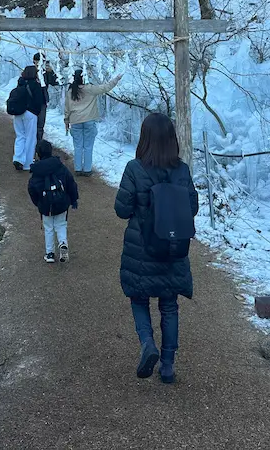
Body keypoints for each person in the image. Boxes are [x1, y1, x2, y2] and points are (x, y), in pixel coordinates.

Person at [114, 113, 199, 384]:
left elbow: (122, 209)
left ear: (145, 138)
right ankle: (168, 366)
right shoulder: (182, 170)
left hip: (142, 249)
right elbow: (193, 207)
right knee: (169, 305)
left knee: (139, 299)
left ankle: (147, 343)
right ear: (172, 139)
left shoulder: (134, 169)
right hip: (174, 249)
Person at [28, 140, 79, 263]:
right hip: (61, 202)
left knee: (48, 228)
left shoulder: (37, 171)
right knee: (61, 225)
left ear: (38, 154)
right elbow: (71, 183)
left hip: (46, 205)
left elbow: (32, 188)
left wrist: (38, 203)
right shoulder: (60, 166)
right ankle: (62, 243)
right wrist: (73, 199)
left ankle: (50, 253)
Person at [64, 69, 122, 177]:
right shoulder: (90, 89)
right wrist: (117, 79)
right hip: (89, 121)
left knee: (78, 146)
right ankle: (87, 169)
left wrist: (66, 121)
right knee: (88, 146)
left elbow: (67, 109)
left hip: (75, 121)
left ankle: (78, 169)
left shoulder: (70, 91)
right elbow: (106, 87)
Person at [12, 65, 45, 171]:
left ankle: (18, 158)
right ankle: (27, 163)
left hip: (18, 113)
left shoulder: (20, 83)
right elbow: (39, 101)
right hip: (30, 114)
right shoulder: (36, 85)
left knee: (20, 136)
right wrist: (36, 111)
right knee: (30, 138)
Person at [33, 53, 59, 143]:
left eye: (43, 61)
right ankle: (30, 144)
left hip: (42, 102)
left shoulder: (45, 73)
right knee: (31, 125)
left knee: (40, 125)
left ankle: (39, 145)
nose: (41, 63)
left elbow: (56, 82)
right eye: (39, 61)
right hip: (30, 102)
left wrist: (51, 72)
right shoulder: (30, 71)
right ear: (34, 61)